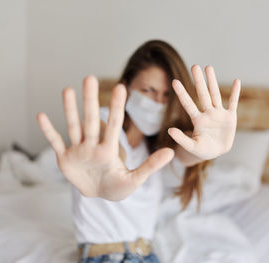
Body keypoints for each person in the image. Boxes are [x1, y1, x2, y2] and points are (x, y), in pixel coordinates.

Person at [36, 40, 241, 263]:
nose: (158, 102)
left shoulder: (157, 147)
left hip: (147, 255)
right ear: (126, 86)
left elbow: (184, 153)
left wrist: (206, 150)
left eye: (166, 95)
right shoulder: (104, 120)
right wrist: (113, 167)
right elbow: (111, 148)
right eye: (148, 90)